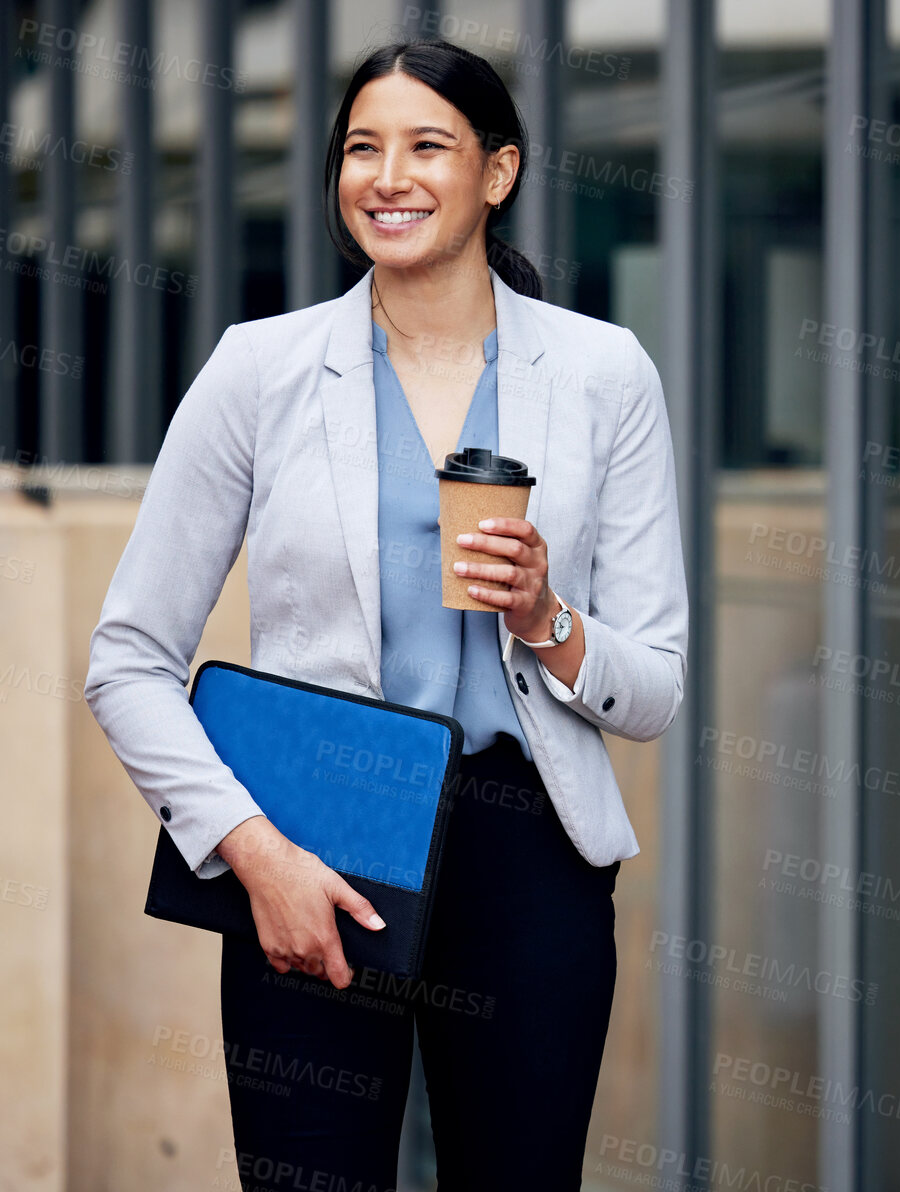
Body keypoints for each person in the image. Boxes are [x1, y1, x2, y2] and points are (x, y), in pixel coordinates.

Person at [83, 38, 687, 1192]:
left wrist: (547, 615)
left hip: (530, 858)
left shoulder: (607, 375)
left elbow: (653, 684)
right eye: (363, 147)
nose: (387, 176)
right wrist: (255, 853)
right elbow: (128, 659)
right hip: (314, 839)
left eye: (427, 146)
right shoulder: (258, 369)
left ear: (497, 172)